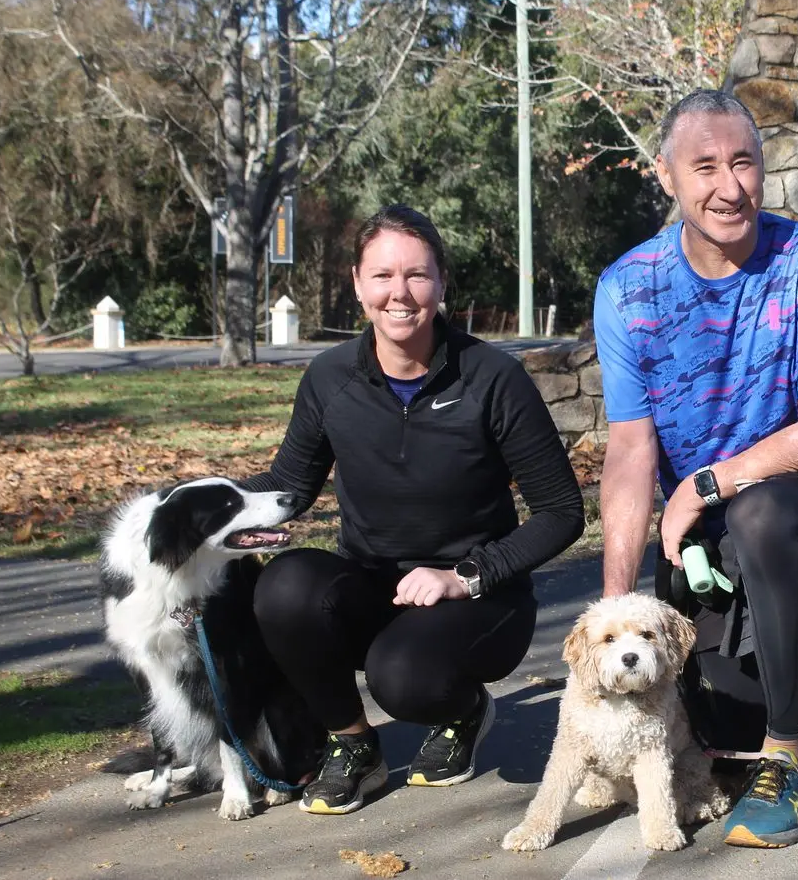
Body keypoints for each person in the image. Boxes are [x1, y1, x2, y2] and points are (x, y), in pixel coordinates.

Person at [593, 89, 798, 849]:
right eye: (705, 165)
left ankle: (790, 764)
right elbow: (627, 450)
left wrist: (703, 482)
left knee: (761, 517)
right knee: (719, 730)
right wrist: (613, 607)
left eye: (743, 161)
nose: (729, 185)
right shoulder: (627, 288)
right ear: (667, 176)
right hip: (702, 539)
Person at [246, 204, 584, 815]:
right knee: (285, 587)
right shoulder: (329, 379)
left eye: (416, 275)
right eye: (382, 275)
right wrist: (190, 512)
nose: (399, 293)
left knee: (402, 680)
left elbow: (561, 510)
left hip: (482, 597)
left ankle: (464, 710)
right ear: (356, 283)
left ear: (441, 283)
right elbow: (288, 489)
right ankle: (353, 745)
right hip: (376, 585)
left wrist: (465, 577)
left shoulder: (493, 378)